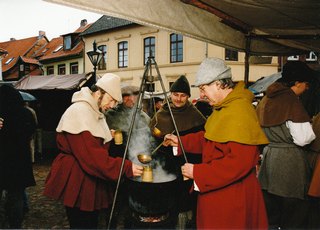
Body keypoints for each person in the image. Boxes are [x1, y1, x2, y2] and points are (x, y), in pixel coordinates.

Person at [164, 57, 269, 229]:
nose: (202, 95)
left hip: (232, 198)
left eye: (204, 88)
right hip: (219, 190)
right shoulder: (223, 107)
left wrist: (198, 172)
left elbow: (239, 163)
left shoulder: (240, 110)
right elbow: (209, 138)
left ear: (219, 84)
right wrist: (180, 141)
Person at [43, 73, 143, 229]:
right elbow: (92, 158)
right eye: (111, 100)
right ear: (99, 93)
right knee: (82, 223)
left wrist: (104, 135)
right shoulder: (80, 111)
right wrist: (126, 167)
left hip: (86, 175)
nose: (111, 106)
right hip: (78, 176)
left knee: (90, 221)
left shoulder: (92, 110)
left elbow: (92, 141)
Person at [256, 61, 316, 229]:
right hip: (289, 164)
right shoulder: (291, 100)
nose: (306, 88)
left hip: (269, 160)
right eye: (305, 84)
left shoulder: (267, 98)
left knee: (272, 214)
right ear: (297, 83)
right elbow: (303, 138)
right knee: (294, 214)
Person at [149, 75, 206, 229]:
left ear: (188, 96)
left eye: (183, 95)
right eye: (176, 95)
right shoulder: (161, 114)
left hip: (186, 166)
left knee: (184, 202)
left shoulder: (195, 116)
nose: (179, 99)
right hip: (165, 167)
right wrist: (161, 141)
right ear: (170, 94)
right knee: (166, 202)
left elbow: (202, 145)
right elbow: (152, 141)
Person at [105, 85, 154, 228]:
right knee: (114, 197)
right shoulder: (110, 116)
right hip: (116, 160)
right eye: (126, 95)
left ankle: (130, 222)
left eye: (133, 95)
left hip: (136, 161)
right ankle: (111, 221)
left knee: (133, 196)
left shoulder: (144, 116)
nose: (130, 99)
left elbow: (149, 140)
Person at [0, 85, 36, 228]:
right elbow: (30, 132)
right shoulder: (25, 114)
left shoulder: (1, 114)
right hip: (19, 162)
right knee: (17, 196)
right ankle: (15, 224)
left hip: (2, 161)